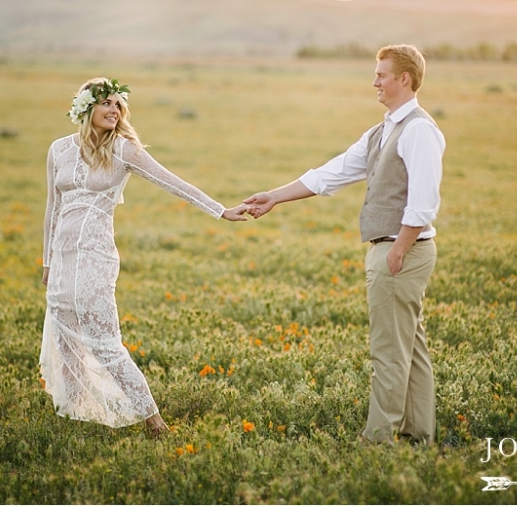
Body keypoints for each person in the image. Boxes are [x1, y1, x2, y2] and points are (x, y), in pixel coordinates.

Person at [243, 45, 445, 445]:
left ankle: (378, 440)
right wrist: (276, 196)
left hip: (401, 250)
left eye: (382, 75)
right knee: (412, 345)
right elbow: (332, 173)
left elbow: (424, 201)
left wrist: (398, 250)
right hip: (396, 248)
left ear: (404, 79)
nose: (375, 82)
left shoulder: (419, 130)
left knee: (388, 351)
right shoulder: (382, 130)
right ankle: (419, 435)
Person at [41, 76, 247, 437]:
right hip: (62, 259)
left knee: (106, 342)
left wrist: (220, 211)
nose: (113, 110)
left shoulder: (124, 150)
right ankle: (72, 414)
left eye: (118, 104)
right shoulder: (58, 149)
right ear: (85, 108)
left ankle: (154, 421)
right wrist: (47, 262)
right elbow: (52, 209)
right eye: (105, 103)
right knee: (66, 339)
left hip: (95, 255)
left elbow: (172, 181)